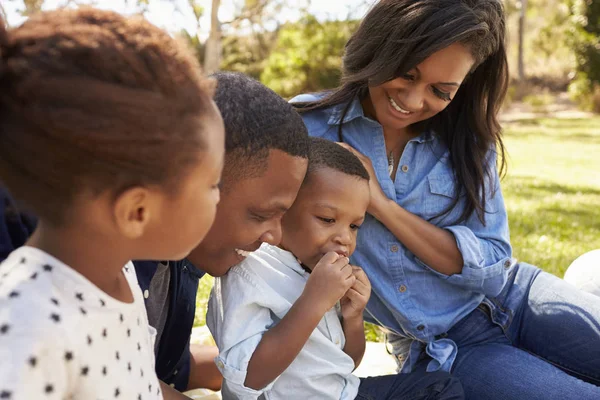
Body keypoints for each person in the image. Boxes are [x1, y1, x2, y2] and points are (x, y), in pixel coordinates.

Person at [291, 1, 600, 399]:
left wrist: (382, 206)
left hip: (519, 296)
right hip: (446, 348)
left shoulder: (467, 138)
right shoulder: (307, 126)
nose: (413, 100)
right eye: (406, 73)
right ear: (382, 45)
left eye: (440, 91)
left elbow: (492, 268)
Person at [0, 71, 311, 394]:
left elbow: (158, 366)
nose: (274, 235)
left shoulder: (174, 259)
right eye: (261, 214)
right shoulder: (66, 280)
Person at [0, 7, 224, 400]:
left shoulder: (115, 272)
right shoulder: (24, 327)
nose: (218, 198)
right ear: (136, 211)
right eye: (212, 184)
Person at [207, 137, 464, 400]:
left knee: (440, 388)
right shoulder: (250, 272)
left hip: (342, 393)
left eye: (354, 226)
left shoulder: (316, 269)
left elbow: (346, 364)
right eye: (327, 219)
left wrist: (353, 317)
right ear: (283, 208)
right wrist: (314, 302)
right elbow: (248, 379)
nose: (345, 238)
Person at [135, 71, 311, 391]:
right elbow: (124, 381)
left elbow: (165, 366)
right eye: (260, 214)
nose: (274, 236)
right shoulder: (109, 265)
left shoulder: (188, 256)